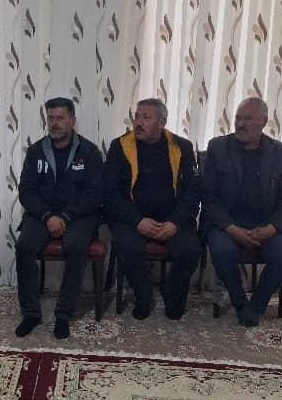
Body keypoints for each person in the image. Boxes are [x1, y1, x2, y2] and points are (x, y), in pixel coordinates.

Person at [202, 97, 282, 327]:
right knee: (222, 251)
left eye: (247, 119)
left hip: (266, 223)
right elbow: (208, 196)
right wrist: (231, 229)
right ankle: (239, 301)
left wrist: (271, 228)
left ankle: (256, 306)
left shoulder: (280, 152)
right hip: (227, 223)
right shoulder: (218, 147)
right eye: (238, 118)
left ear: (264, 122)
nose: (240, 124)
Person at [15, 98, 104, 339]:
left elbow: (95, 194)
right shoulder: (36, 151)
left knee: (75, 246)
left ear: (72, 121)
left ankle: (63, 315)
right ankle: (31, 313)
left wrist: (65, 216)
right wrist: (47, 216)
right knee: (24, 246)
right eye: (50, 118)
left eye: (60, 118)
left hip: (79, 216)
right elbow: (26, 191)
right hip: (42, 215)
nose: (54, 123)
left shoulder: (89, 152)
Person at [105, 98, 202, 320]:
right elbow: (111, 193)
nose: (138, 122)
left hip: (172, 218)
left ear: (162, 122)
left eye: (146, 117)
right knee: (128, 248)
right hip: (132, 217)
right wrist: (137, 221)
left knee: (190, 251)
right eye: (137, 116)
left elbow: (193, 192)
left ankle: (172, 293)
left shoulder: (181, 147)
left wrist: (175, 222)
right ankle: (143, 296)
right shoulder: (120, 146)